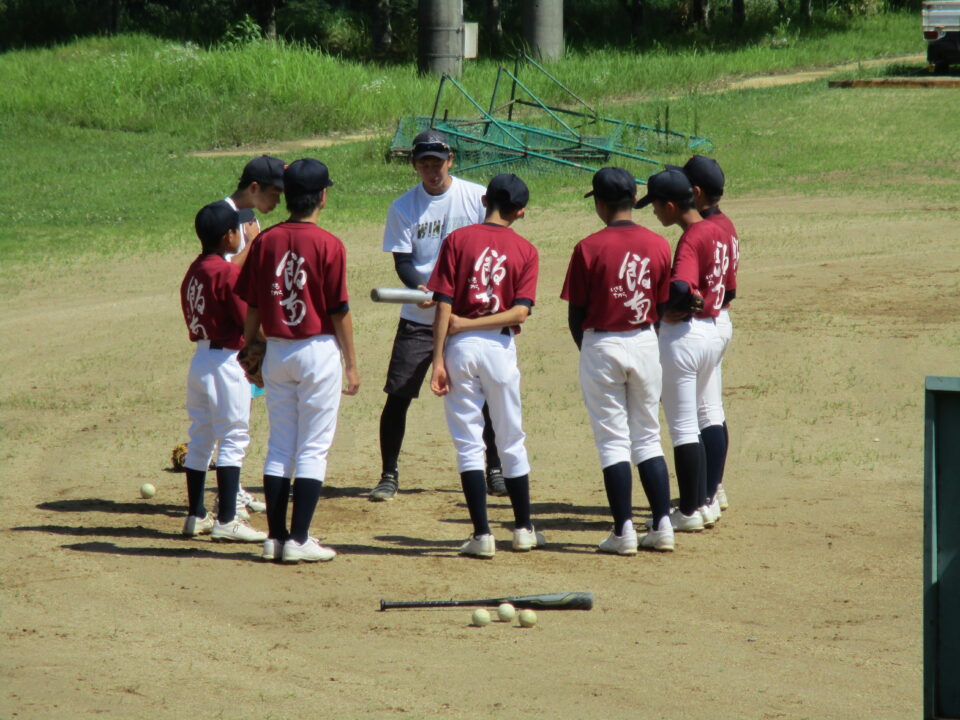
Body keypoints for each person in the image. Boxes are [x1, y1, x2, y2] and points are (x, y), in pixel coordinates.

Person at [235, 158, 360, 564]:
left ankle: (275, 537)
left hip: (277, 352)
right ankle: (299, 539)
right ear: (322, 196)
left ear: (288, 195)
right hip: (317, 351)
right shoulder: (329, 244)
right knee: (312, 448)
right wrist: (352, 363)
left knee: (280, 444)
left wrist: (250, 343)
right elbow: (339, 310)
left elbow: (253, 302)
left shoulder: (266, 240)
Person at [371, 129, 504, 501]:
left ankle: (494, 468)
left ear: (451, 161)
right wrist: (422, 288)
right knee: (398, 394)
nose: (432, 169)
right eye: (424, 163)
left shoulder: (477, 198)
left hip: (466, 315)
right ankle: (388, 473)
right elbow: (403, 260)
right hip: (420, 314)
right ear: (415, 165)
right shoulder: (403, 207)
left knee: (486, 394)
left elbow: (492, 247)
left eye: (438, 162)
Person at [428, 173, 544, 558]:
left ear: (484, 201)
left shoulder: (458, 240)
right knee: (511, 438)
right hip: (499, 350)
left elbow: (444, 303)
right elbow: (520, 313)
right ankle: (524, 528)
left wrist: (437, 358)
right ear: (521, 212)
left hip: (459, 348)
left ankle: (482, 535)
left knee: (468, 443)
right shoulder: (527, 250)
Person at [561, 167, 676, 553]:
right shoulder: (659, 243)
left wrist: (592, 350)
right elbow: (661, 306)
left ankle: (623, 531)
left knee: (613, 440)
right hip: (645, 339)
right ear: (632, 199)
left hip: (601, 343)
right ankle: (662, 525)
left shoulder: (588, 247)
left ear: (600, 203)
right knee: (647, 436)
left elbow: (576, 315)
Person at [638, 168, 729, 532]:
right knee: (710, 413)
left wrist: (664, 308)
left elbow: (679, 287)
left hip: (686, 337)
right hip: (713, 329)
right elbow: (729, 288)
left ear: (672, 205)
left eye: (656, 206)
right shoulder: (719, 229)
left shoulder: (692, 237)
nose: (655, 213)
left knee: (684, 427)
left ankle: (689, 511)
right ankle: (707, 502)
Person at [179, 200, 268, 543]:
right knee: (233, 437)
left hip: (200, 360)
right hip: (225, 361)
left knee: (201, 437)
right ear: (229, 235)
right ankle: (228, 519)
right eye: (238, 231)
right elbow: (248, 322)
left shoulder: (194, 270)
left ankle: (196, 515)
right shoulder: (227, 272)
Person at [674, 155, 739, 511]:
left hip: (704, 323)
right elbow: (730, 289)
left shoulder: (703, 230)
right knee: (710, 408)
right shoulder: (725, 224)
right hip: (719, 320)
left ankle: (708, 492)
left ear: (695, 192)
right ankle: (714, 488)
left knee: (703, 412)